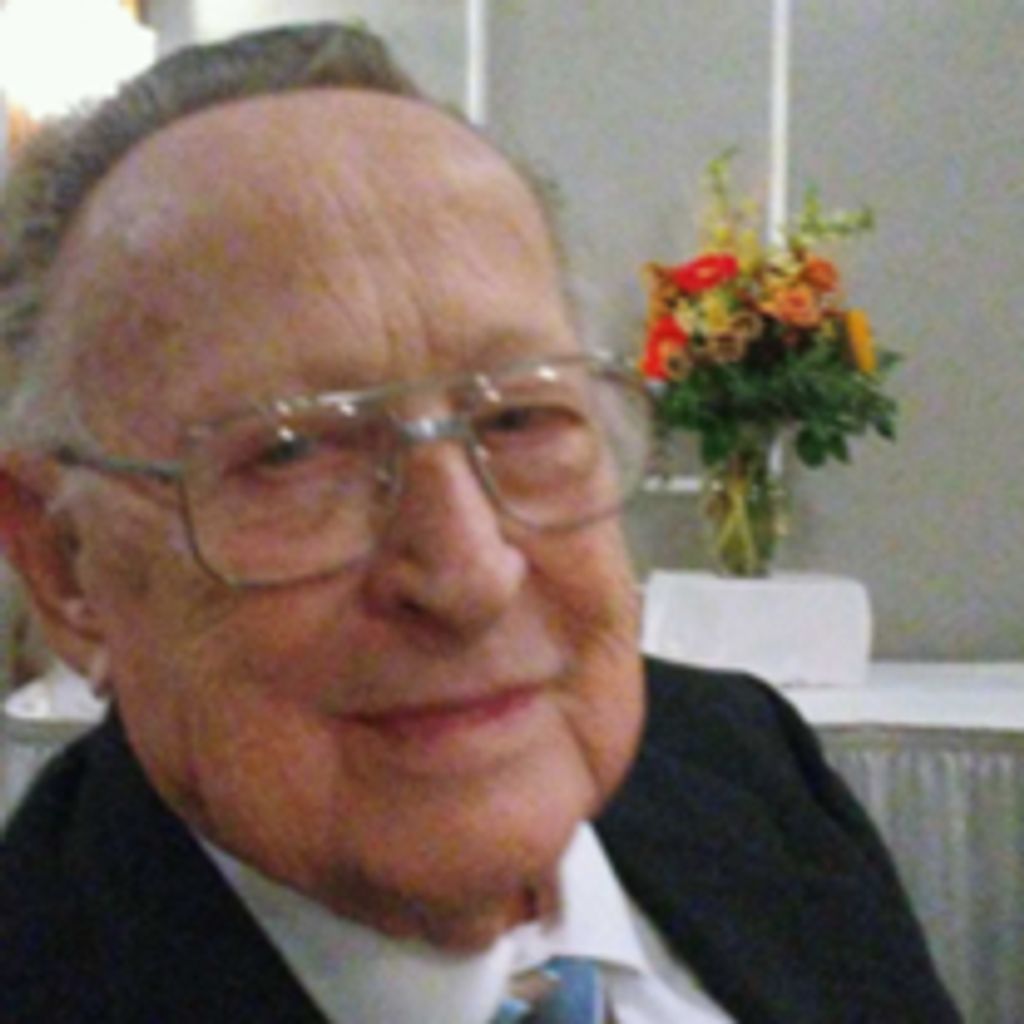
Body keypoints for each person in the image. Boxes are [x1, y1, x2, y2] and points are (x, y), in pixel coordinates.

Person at [0, 22, 959, 1024]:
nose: (470, 573)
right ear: (65, 564)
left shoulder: (745, 766)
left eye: (520, 418)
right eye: (290, 452)